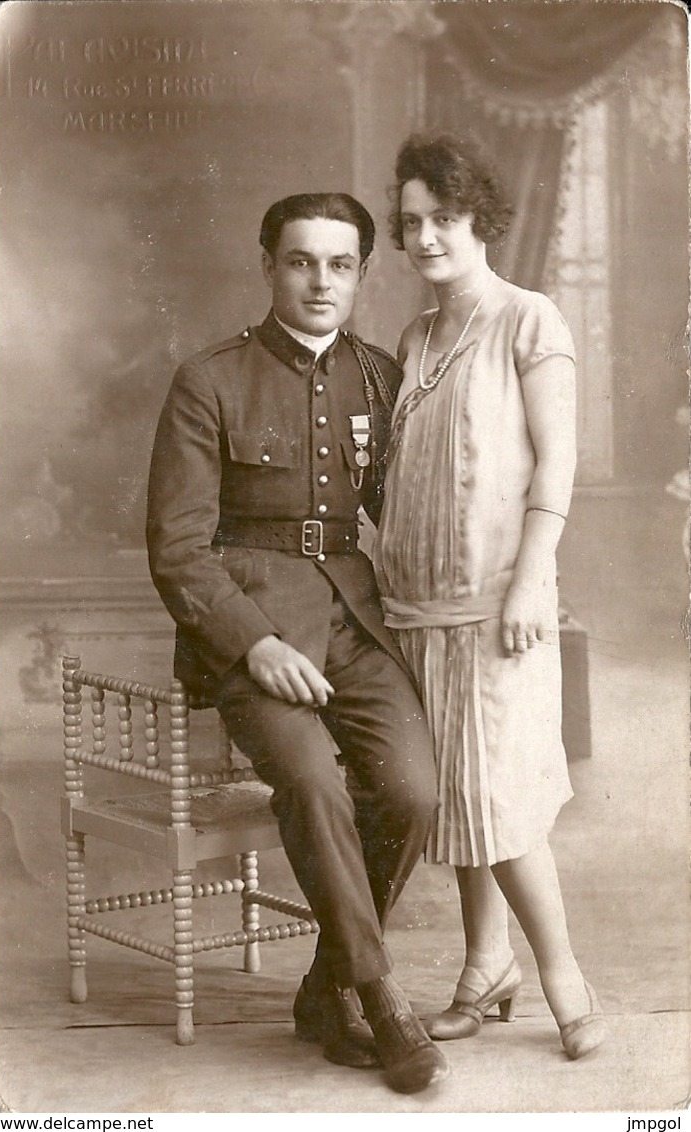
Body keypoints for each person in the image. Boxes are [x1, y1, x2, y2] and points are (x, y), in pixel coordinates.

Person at [146, 192, 450, 1094]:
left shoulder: (381, 375)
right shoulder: (210, 379)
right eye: (301, 261)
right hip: (254, 627)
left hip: (355, 619)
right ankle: (379, 994)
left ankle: (325, 986)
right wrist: (251, 644)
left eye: (340, 264)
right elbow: (177, 547)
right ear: (268, 266)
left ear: (362, 273)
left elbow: (406, 510)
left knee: (413, 788)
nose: (321, 282)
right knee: (315, 780)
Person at [373, 133, 606, 1059]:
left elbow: (557, 461)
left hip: (499, 606)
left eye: (444, 218)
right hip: (416, 607)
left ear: (480, 220)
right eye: (411, 223)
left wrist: (529, 583)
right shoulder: (416, 336)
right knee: (462, 800)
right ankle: (483, 966)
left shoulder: (528, 319)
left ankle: (563, 982)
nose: (426, 237)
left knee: (500, 800)